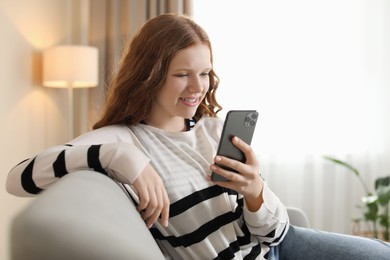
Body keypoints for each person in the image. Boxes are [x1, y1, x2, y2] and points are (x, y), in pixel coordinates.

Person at [6, 13, 390, 260]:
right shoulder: (121, 141)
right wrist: (121, 159)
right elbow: (17, 178)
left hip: (277, 246)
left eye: (204, 73)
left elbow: (272, 232)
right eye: (182, 74)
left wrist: (256, 192)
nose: (198, 87)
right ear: (149, 74)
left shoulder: (213, 128)